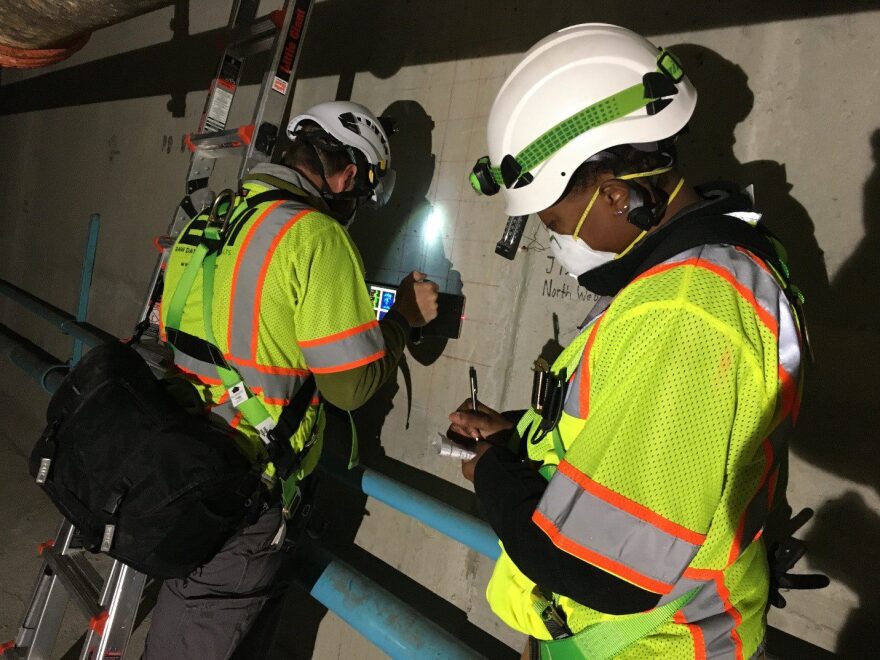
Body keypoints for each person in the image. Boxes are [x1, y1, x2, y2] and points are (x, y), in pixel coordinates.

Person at [452, 24, 824, 659]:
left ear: (616, 196)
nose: (557, 244)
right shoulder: (704, 273)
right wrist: (521, 433)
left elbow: (602, 570)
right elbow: (660, 434)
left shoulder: (687, 309)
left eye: (556, 223)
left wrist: (491, 470)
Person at [144, 100, 438, 659]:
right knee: (202, 636)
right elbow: (348, 386)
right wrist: (403, 321)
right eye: (360, 190)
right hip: (244, 486)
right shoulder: (316, 238)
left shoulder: (212, 218)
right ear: (350, 173)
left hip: (178, 457)